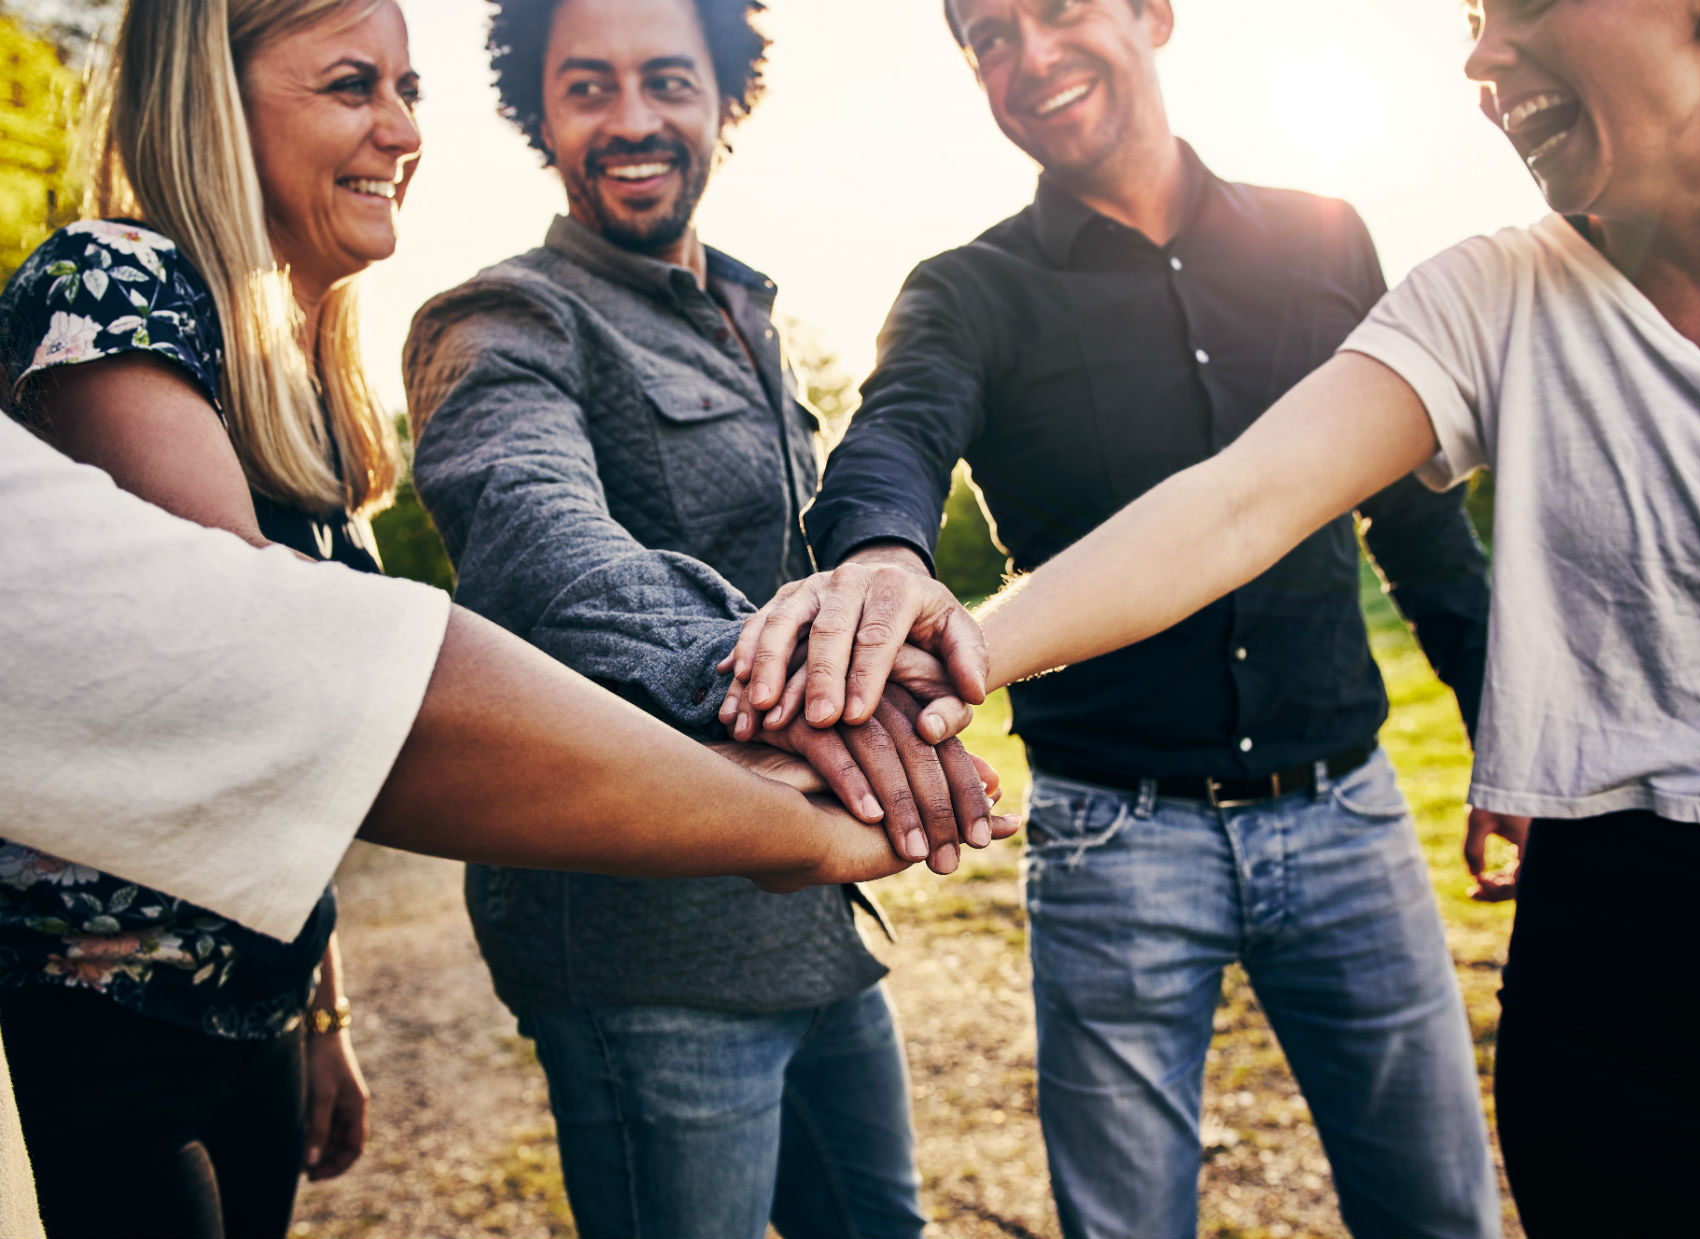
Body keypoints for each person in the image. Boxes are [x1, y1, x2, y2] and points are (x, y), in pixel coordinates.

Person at [731, 0, 1700, 1236]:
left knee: (1438, 1206)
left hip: (1347, 813)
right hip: (1117, 831)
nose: (1030, 55)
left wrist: (1510, 731)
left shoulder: (1325, 235)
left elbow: (1416, 528)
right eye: (988, 36)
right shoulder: (970, 287)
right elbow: (932, 438)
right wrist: (893, 575)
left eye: (1057, 10)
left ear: (1153, 14)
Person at [0, 410, 925, 1239]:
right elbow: (503, 541)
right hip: (654, 958)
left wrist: (326, 1011)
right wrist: (756, 697)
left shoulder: (304, 403)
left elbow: (282, 755)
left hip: (815, 938)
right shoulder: (506, 313)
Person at [401, 2, 1008, 1235]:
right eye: (588, 87)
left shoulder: (748, 314)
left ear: (726, 99)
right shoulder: (501, 318)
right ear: (539, 113)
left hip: (814, 915)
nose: (632, 120)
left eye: (667, 81)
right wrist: (771, 672)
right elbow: (532, 535)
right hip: (641, 957)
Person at [2, 0, 410, 1233]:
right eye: (353, 84)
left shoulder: (291, 373)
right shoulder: (110, 283)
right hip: (109, 1034)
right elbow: (270, 692)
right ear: (213, 102)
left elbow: (287, 790)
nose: (401, 128)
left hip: (258, 1015)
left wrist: (322, 1017)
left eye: (409, 87)